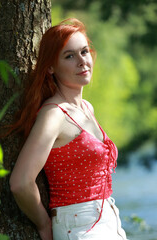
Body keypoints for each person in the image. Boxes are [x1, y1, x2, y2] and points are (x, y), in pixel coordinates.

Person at [9, 18, 128, 240]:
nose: (82, 61)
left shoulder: (86, 108)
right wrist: (44, 225)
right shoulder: (54, 114)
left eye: (84, 52)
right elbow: (21, 182)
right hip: (78, 226)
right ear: (51, 67)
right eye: (69, 56)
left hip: (108, 220)